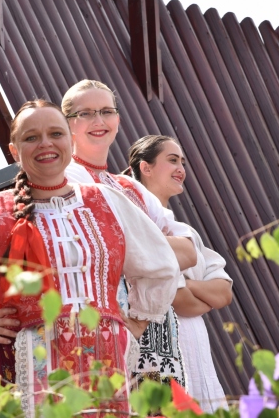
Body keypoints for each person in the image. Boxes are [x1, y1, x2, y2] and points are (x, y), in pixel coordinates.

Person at [0, 100, 180, 416]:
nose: (45, 143)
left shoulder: (106, 201)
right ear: (14, 150)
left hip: (106, 365)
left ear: (70, 141)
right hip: (19, 366)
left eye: (55, 133)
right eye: (31, 137)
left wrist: (138, 319)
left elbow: (160, 263)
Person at [61, 79, 196, 388]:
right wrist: (148, 245)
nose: (99, 121)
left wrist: (129, 242)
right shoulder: (66, 180)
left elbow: (188, 253)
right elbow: (94, 248)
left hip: (156, 338)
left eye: (107, 111)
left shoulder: (129, 186)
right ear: (68, 124)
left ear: (118, 121)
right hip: (106, 326)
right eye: (86, 113)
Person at [127, 135, 233, 412]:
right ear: (146, 168)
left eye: (182, 162)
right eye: (172, 160)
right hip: (158, 359)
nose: (181, 169)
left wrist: (185, 283)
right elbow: (183, 304)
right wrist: (196, 292)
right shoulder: (136, 223)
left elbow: (223, 293)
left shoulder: (187, 233)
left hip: (197, 356)